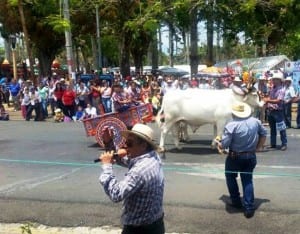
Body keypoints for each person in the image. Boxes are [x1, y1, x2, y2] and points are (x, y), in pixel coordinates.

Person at [98, 123, 165, 234]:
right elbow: (126, 161)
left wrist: (107, 167)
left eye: (129, 143)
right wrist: (109, 144)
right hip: (156, 224)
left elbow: (116, 194)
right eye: (125, 143)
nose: (125, 147)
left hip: (140, 229)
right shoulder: (152, 156)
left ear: (143, 145)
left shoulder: (139, 171)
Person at [216, 101, 267, 219]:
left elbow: (225, 144)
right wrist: (258, 147)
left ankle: (236, 201)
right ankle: (249, 207)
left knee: (230, 177)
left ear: (234, 114)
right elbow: (264, 134)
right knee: (247, 180)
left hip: (235, 156)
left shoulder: (231, 125)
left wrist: (219, 143)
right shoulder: (256, 122)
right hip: (250, 155)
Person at [263, 72, 288, 150]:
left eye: (275, 79)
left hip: (278, 111)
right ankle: (273, 144)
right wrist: (267, 101)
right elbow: (270, 98)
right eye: (273, 79)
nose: (273, 80)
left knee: (281, 128)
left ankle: (284, 144)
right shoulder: (272, 88)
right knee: (272, 129)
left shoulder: (282, 89)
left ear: (280, 80)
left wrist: (268, 101)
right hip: (271, 110)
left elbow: (278, 101)